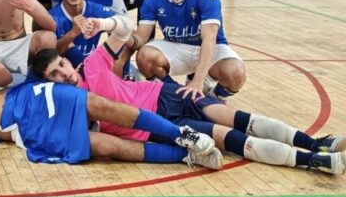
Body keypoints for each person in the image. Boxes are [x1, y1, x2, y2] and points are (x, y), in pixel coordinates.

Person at [31, 14, 346, 175]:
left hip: (165, 95)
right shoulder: (70, 106)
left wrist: (101, 23)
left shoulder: (92, 66)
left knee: (239, 119)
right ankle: (314, 161)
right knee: (228, 137)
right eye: (54, 75)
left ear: (66, 60)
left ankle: (317, 142)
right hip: (156, 128)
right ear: (51, 83)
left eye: (61, 65)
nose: (64, 74)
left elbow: (124, 28)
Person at [0, 35, 220, 167]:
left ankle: (182, 135)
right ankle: (183, 156)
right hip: (25, 131)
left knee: (99, 104)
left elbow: (0, 79)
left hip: (30, 97)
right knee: (104, 147)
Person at [131, 0, 246, 98]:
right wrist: (117, 30)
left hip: (209, 47)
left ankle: (211, 99)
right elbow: (141, 38)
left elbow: (209, 38)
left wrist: (198, 81)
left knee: (235, 72)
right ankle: (176, 96)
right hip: (177, 47)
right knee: (145, 56)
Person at [49, 0, 115, 67]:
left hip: (93, 68)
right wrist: (73, 33)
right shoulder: (52, 17)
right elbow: (50, 55)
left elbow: (123, 32)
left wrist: (116, 61)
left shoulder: (98, 11)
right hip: (64, 73)